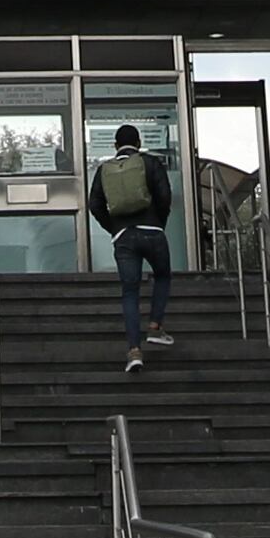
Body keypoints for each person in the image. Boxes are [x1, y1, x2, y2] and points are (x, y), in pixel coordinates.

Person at [87, 124, 176, 369]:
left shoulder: (104, 170)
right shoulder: (150, 163)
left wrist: (114, 228)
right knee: (162, 276)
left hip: (124, 237)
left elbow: (94, 205)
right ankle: (155, 326)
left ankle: (134, 351)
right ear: (138, 143)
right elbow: (165, 197)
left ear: (115, 146)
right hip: (153, 231)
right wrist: (158, 223)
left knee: (130, 292)